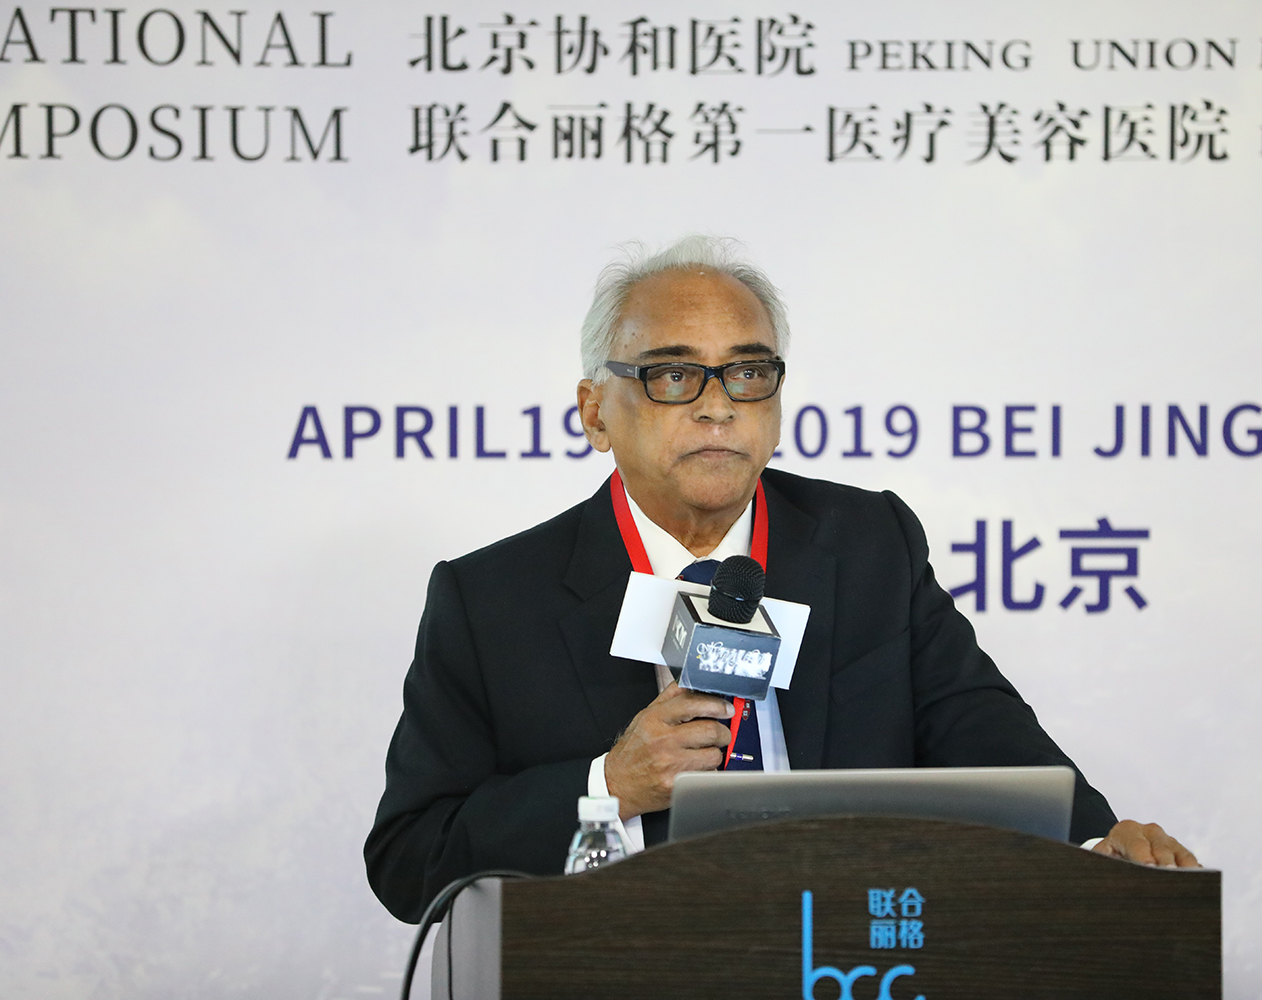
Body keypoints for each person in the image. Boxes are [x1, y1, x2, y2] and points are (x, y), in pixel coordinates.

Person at [364, 236, 1198, 923]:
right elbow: (409, 857)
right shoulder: (492, 601)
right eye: (673, 375)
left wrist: (1098, 846)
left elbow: (982, 731)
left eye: (749, 372)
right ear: (594, 412)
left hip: (847, 955)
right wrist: (607, 787)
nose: (718, 405)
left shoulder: (869, 545)